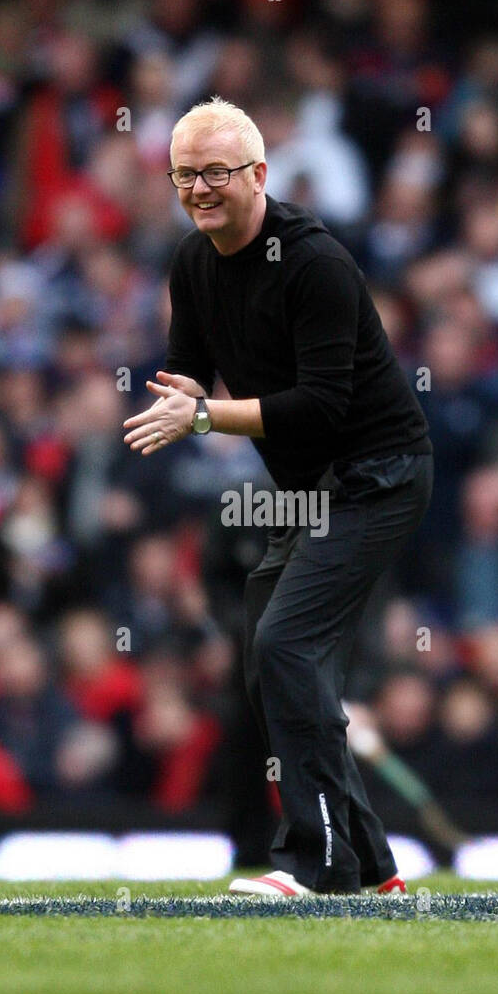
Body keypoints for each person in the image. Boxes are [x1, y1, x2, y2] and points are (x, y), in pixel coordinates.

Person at [123, 97, 433, 894]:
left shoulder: (315, 262)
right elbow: (191, 365)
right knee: (271, 659)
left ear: (260, 175)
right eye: (185, 174)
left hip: (379, 475)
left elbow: (321, 404)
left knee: (284, 647)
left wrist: (200, 417)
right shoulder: (192, 263)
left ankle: (315, 863)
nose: (199, 188)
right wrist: (179, 397)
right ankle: (369, 865)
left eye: (217, 172)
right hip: (306, 490)